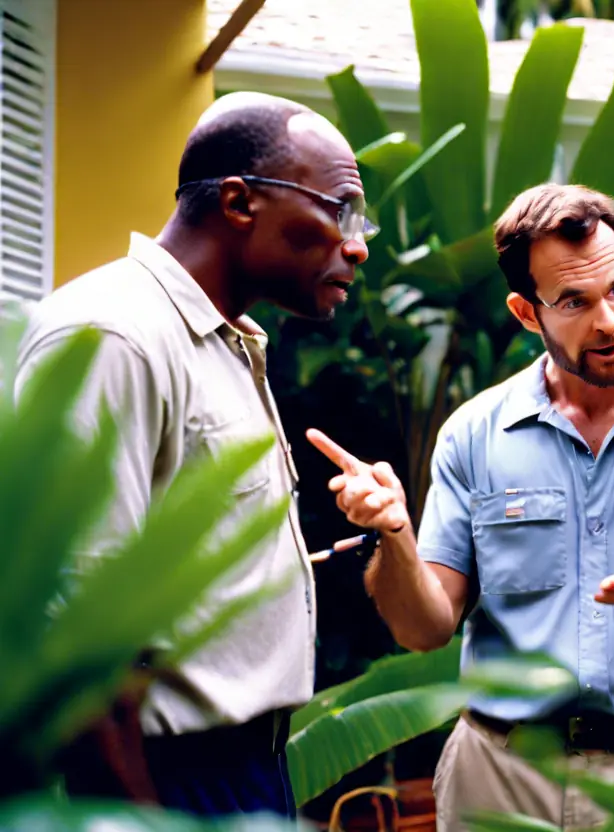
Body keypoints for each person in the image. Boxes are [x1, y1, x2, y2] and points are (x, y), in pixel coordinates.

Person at [307, 183, 614, 831]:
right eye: (574, 301)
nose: (608, 321)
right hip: (500, 776)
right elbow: (424, 628)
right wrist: (395, 535)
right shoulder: (475, 435)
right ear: (525, 311)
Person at [15, 91, 375, 817]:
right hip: (168, 783)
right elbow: (83, 635)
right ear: (240, 202)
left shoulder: (227, 342)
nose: (358, 243)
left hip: (249, 771)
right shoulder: (113, 333)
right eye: (339, 209)